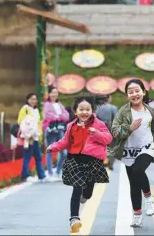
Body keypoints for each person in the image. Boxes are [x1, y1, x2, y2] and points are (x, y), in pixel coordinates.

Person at [46, 94, 112, 233]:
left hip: (93, 162)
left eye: (87, 109)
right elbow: (65, 141)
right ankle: (74, 219)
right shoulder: (71, 126)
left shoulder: (99, 124)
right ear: (75, 111)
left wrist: (97, 134)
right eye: (81, 109)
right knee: (76, 188)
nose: (84, 112)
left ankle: (85, 196)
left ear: (92, 111)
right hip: (75, 160)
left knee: (88, 192)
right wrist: (53, 147)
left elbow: (108, 139)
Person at [110, 78, 154, 228]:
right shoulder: (123, 112)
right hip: (128, 150)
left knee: (138, 169)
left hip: (147, 147)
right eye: (130, 92)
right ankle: (137, 215)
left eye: (137, 91)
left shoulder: (151, 111)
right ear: (127, 95)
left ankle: (148, 197)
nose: (134, 94)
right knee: (134, 183)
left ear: (144, 92)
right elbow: (115, 132)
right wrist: (129, 128)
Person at [42, 86, 69, 181]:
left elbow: (66, 116)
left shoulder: (60, 104)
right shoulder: (47, 104)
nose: (54, 94)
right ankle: (50, 173)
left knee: (64, 153)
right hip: (50, 131)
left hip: (60, 130)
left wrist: (58, 116)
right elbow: (47, 116)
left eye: (56, 93)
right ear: (49, 94)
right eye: (53, 92)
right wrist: (58, 116)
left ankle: (58, 171)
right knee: (50, 151)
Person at [18, 93, 46, 182]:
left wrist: (39, 134)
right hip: (28, 137)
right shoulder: (25, 109)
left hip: (35, 137)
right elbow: (20, 121)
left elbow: (38, 123)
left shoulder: (36, 110)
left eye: (35, 99)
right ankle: (25, 176)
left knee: (38, 157)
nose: (34, 101)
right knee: (27, 156)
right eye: (32, 99)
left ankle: (42, 176)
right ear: (27, 100)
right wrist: (27, 133)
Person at [96, 95, 118, 170]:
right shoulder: (113, 107)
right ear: (108, 99)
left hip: (100, 129)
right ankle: (110, 164)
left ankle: (102, 162)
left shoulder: (98, 108)